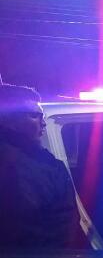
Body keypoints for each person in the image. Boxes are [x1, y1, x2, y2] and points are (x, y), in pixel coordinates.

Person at [0, 84, 87, 249]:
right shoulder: (35, 168)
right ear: (8, 120)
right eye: (34, 116)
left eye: (43, 117)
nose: (43, 123)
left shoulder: (43, 162)